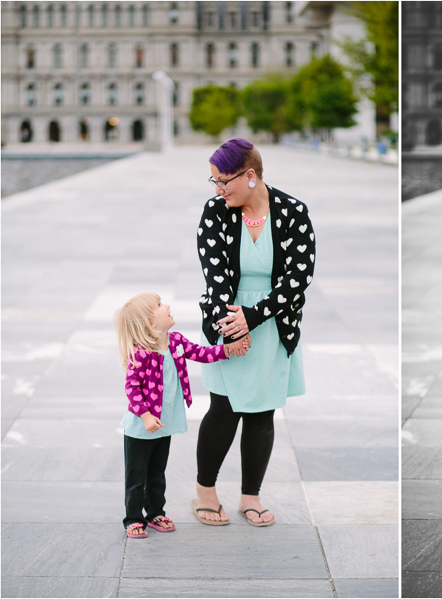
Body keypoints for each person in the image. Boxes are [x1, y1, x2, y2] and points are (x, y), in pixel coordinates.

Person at [194, 138, 316, 526]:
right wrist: (233, 330)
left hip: (273, 323)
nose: (218, 189)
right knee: (224, 409)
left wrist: (253, 317)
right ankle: (205, 492)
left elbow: (298, 280)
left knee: (263, 412)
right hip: (226, 318)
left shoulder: (293, 212)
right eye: (213, 181)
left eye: (223, 181)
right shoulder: (215, 213)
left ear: (250, 176)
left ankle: (251, 496)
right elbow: (215, 279)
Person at [115, 292, 229, 539]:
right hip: (141, 428)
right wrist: (146, 416)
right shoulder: (141, 353)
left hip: (163, 424)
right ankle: (133, 518)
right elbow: (132, 389)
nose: (166, 305)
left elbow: (201, 353)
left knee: (157, 475)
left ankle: (155, 513)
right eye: (159, 305)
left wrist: (227, 350)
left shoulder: (175, 341)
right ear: (149, 322)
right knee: (136, 478)